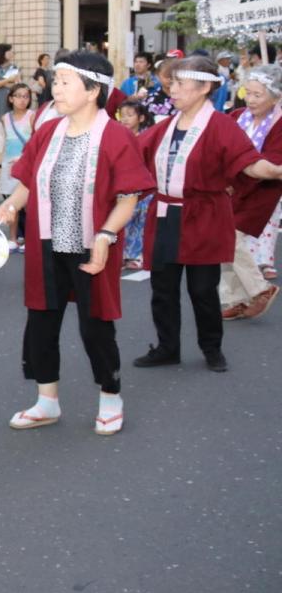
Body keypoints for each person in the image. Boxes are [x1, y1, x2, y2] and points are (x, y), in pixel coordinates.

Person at [0, 51, 156, 436]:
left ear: (93, 90)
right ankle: (46, 400)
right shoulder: (48, 132)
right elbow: (27, 182)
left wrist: (106, 233)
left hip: (91, 244)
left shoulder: (115, 136)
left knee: (95, 325)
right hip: (48, 241)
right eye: (56, 80)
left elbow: (129, 195)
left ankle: (110, 398)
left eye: (66, 82)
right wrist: (11, 204)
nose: (56, 88)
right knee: (41, 323)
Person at [133, 57, 282, 373]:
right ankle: (167, 347)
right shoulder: (165, 127)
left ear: (203, 88)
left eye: (179, 83)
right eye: (171, 83)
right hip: (164, 213)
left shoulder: (221, 126)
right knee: (163, 288)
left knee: (202, 289)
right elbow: (131, 152)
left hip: (204, 216)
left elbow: (251, 163)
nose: (172, 89)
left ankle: (212, 348)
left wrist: (275, 170)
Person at [219, 65, 282, 319]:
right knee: (225, 239)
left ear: (276, 97)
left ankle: (259, 288)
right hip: (233, 185)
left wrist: (239, 170)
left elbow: (273, 165)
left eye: (259, 95)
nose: (251, 99)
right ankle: (236, 298)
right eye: (249, 92)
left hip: (261, 189)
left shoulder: (279, 123)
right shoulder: (236, 116)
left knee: (227, 235)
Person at [0, 83, 35, 250]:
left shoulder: (32, 116)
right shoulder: (5, 118)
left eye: (26, 96)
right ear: (10, 98)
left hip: (27, 163)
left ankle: (29, 239)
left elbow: (35, 139)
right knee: (12, 203)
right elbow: (2, 140)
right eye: (18, 96)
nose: (22, 100)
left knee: (29, 203)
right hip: (10, 164)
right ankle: (13, 238)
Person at [117, 99, 155, 271]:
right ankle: (123, 255)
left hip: (144, 185)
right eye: (122, 115)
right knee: (124, 220)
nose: (125, 119)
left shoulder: (148, 136)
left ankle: (138, 255)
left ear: (141, 118)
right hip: (123, 184)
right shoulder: (116, 135)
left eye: (130, 115)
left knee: (142, 222)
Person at [0, 43, 19, 124]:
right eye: (10, 51)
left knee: (12, 127)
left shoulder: (13, 67)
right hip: (0, 100)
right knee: (1, 132)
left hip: (11, 101)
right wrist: (7, 81)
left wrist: (0, 82)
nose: (12, 53)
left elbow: (15, 84)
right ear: (2, 53)